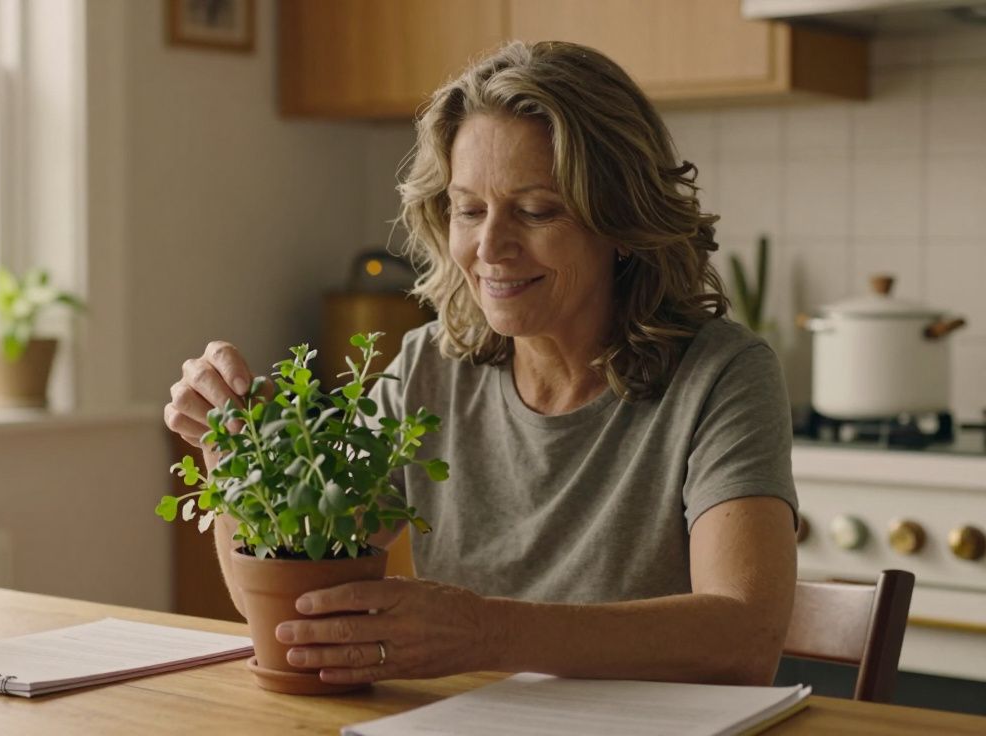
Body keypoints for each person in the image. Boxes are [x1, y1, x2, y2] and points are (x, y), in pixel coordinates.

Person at [164, 40, 797, 688]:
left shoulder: (723, 375)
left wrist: (484, 633)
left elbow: (743, 637)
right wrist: (238, 450)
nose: (490, 247)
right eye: (469, 210)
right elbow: (291, 607)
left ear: (621, 222)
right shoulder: (428, 367)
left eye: (535, 210)